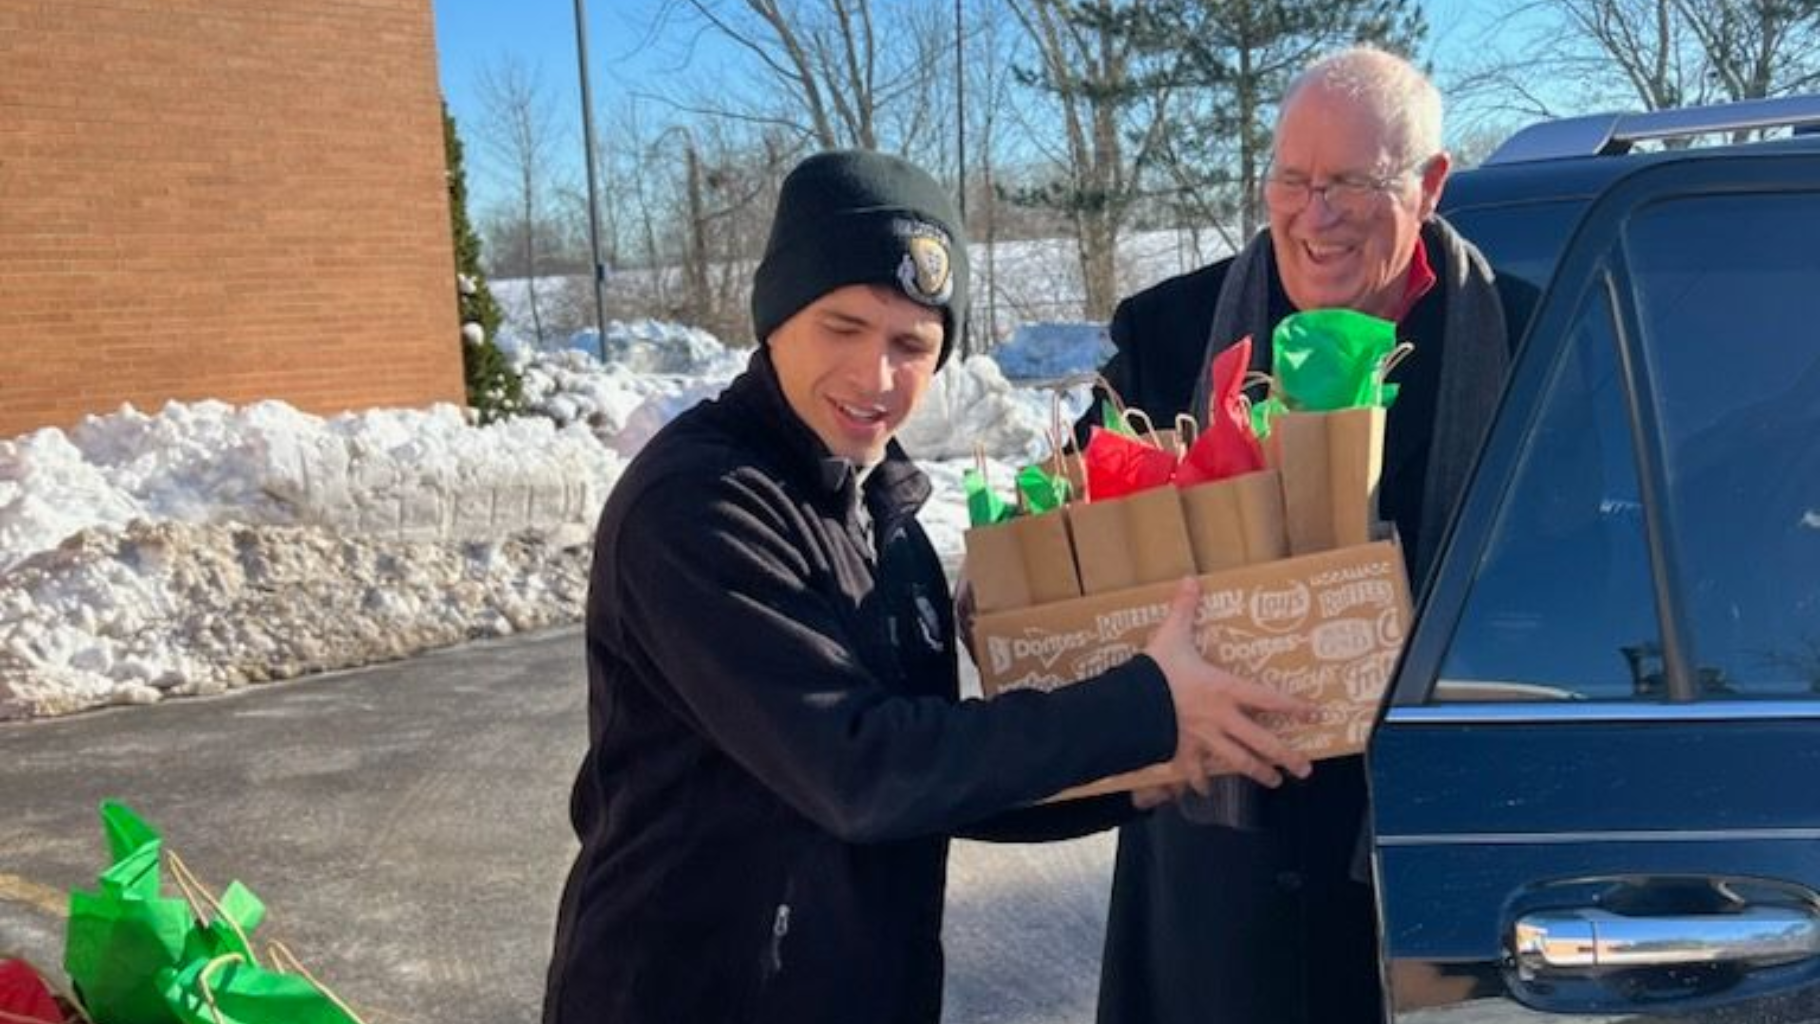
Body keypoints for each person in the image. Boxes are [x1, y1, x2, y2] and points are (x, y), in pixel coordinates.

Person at [541, 149, 1315, 1024]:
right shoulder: (700, 504)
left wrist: (1133, 773)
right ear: (777, 316)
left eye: (912, 344)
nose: (877, 378)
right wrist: (1144, 707)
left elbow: (932, 772)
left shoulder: (884, 506)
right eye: (843, 327)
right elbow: (860, 769)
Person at [1088, 47, 1525, 1024]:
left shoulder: (1528, 345)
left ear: (1430, 183)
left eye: (1351, 183)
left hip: (1431, 878)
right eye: (1292, 178)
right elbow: (1074, 566)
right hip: (1218, 892)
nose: (1313, 214)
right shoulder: (1168, 337)